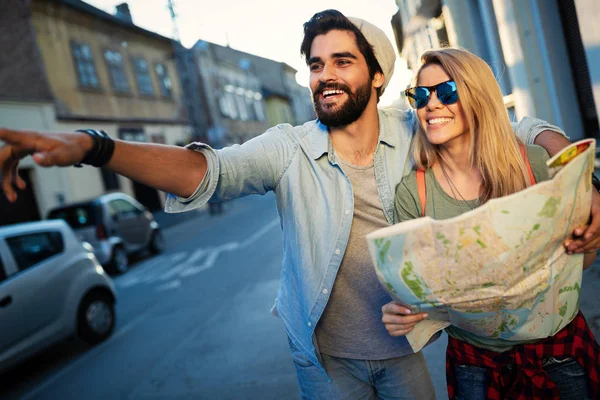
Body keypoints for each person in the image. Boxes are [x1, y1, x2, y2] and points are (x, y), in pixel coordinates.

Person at [0, 9, 598, 399]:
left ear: (377, 75)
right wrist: (93, 146)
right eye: (316, 65)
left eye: (342, 61)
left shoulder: (415, 123)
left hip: (407, 352)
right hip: (325, 363)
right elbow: (207, 170)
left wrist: (572, 164)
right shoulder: (288, 148)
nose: (326, 75)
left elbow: (504, 120)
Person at [382, 47, 600, 399]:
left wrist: (583, 242)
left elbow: (583, 262)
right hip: (475, 368)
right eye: (420, 95)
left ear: (478, 96)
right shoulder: (413, 193)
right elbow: (427, 309)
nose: (431, 104)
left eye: (447, 91)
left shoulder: (536, 164)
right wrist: (406, 315)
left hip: (560, 355)